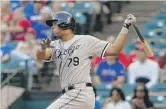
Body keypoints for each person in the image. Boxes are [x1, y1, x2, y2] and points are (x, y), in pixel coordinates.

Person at [36, 11, 136, 109]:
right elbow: (40, 57)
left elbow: (114, 49)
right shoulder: (54, 44)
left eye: (54, 23)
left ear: (64, 24)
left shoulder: (85, 40)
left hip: (80, 92)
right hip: (71, 94)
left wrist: (126, 26)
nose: (52, 26)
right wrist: (42, 49)